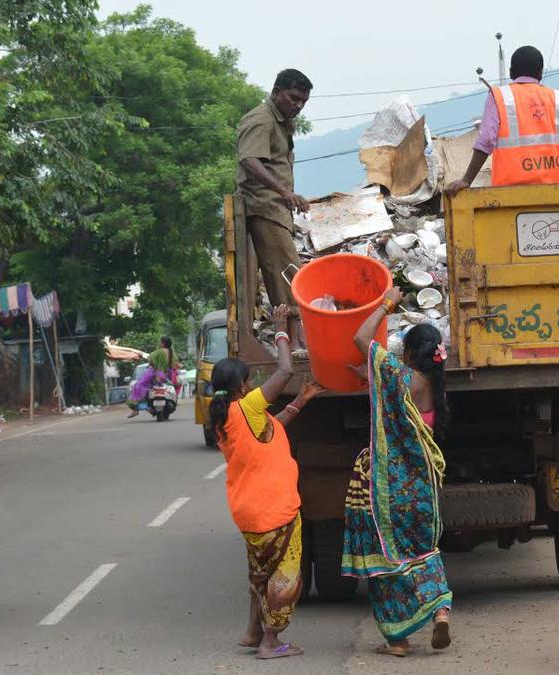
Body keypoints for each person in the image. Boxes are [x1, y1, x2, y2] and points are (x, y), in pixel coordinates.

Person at [342, 290, 453, 657]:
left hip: (387, 489)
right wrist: (370, 374)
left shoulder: (397, 374)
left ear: (406, 354)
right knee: (426, 550)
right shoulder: (434, 388)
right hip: (423, 489)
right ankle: (440, 611)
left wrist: (386, 303)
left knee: (384, 559)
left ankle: (398, 640)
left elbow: (360, 338)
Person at [208, 304, 322, 660]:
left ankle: (252, 632)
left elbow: (270, 432)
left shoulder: (225, 416)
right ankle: (271, 643)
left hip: (248, 511)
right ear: (243, 385)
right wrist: (281, 329)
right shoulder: (248, 407)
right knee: (286, 576)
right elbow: (286, 369)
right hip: (275, 509)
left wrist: (300, 403)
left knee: (259, 573)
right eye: (250, 382)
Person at [444, 45, 559, 195]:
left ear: (511, 72)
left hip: (511, 195)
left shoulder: (499, 97)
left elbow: (486, 140)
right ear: (540, 72)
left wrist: (466, 181)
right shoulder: (558, 99)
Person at [236, 68, 313, 346]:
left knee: (288, 275)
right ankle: (295, 344)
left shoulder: (279, 121)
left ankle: (295, 340)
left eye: (303, 101)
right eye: (293, 98)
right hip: (265, 209)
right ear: (276, 91)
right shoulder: (260, 119)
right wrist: (284, 192)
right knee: (288, 277)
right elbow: (249, 160)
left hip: (276, 209)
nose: (298, 105)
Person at [126, 336, 180, 418]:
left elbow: (151, 361)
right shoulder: (172, 353)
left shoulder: (158, 352)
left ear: (163, 343)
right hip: (167, 375)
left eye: (160, 342)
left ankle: (135, 409)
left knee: (138, 387)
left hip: (155, 374)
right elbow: (175, 365)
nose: (159, 343)